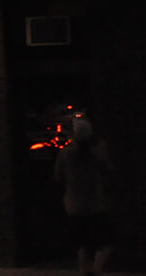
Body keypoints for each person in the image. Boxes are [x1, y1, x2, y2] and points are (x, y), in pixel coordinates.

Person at [53, 118, 113, 276]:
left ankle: (84, 271)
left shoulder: (65, 154)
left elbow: (58, 177)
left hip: (73, 206)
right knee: (105, 242)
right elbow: (109, 170)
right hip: (96, 204)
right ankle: (96, 269)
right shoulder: (97, 154)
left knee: (82, 244)